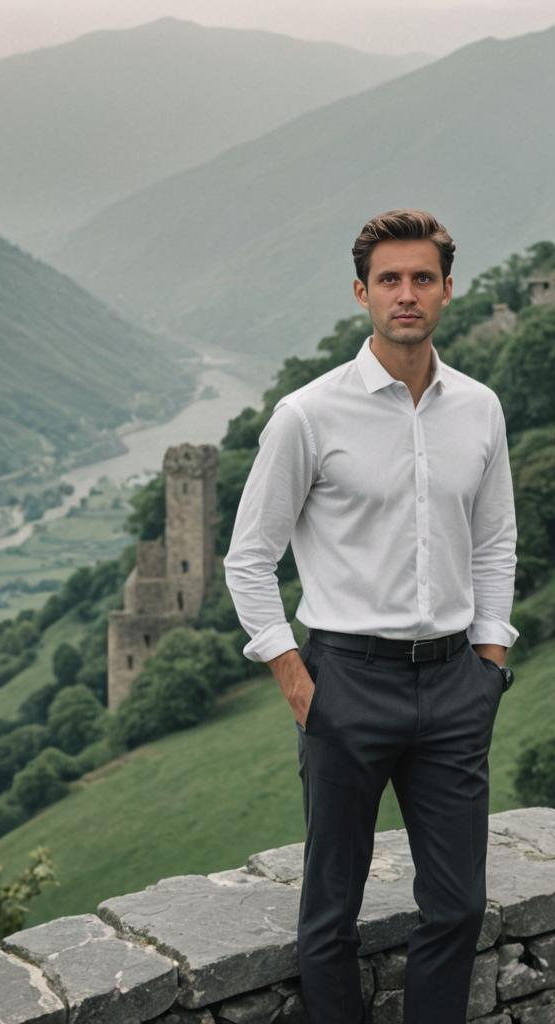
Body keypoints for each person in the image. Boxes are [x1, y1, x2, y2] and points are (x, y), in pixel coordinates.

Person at [224, 208, 518, 1023]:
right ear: (361, 293)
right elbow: (249, 557)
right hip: (345, 682)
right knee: (329, 917)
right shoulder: (308, 415)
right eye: (389, 280)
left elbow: (496, 542)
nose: (406, 294)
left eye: (423, 278)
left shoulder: (480, 409)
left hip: (457, 686)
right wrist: (294, 674)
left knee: (458, 906)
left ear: (448, 291)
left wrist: (490, 662)